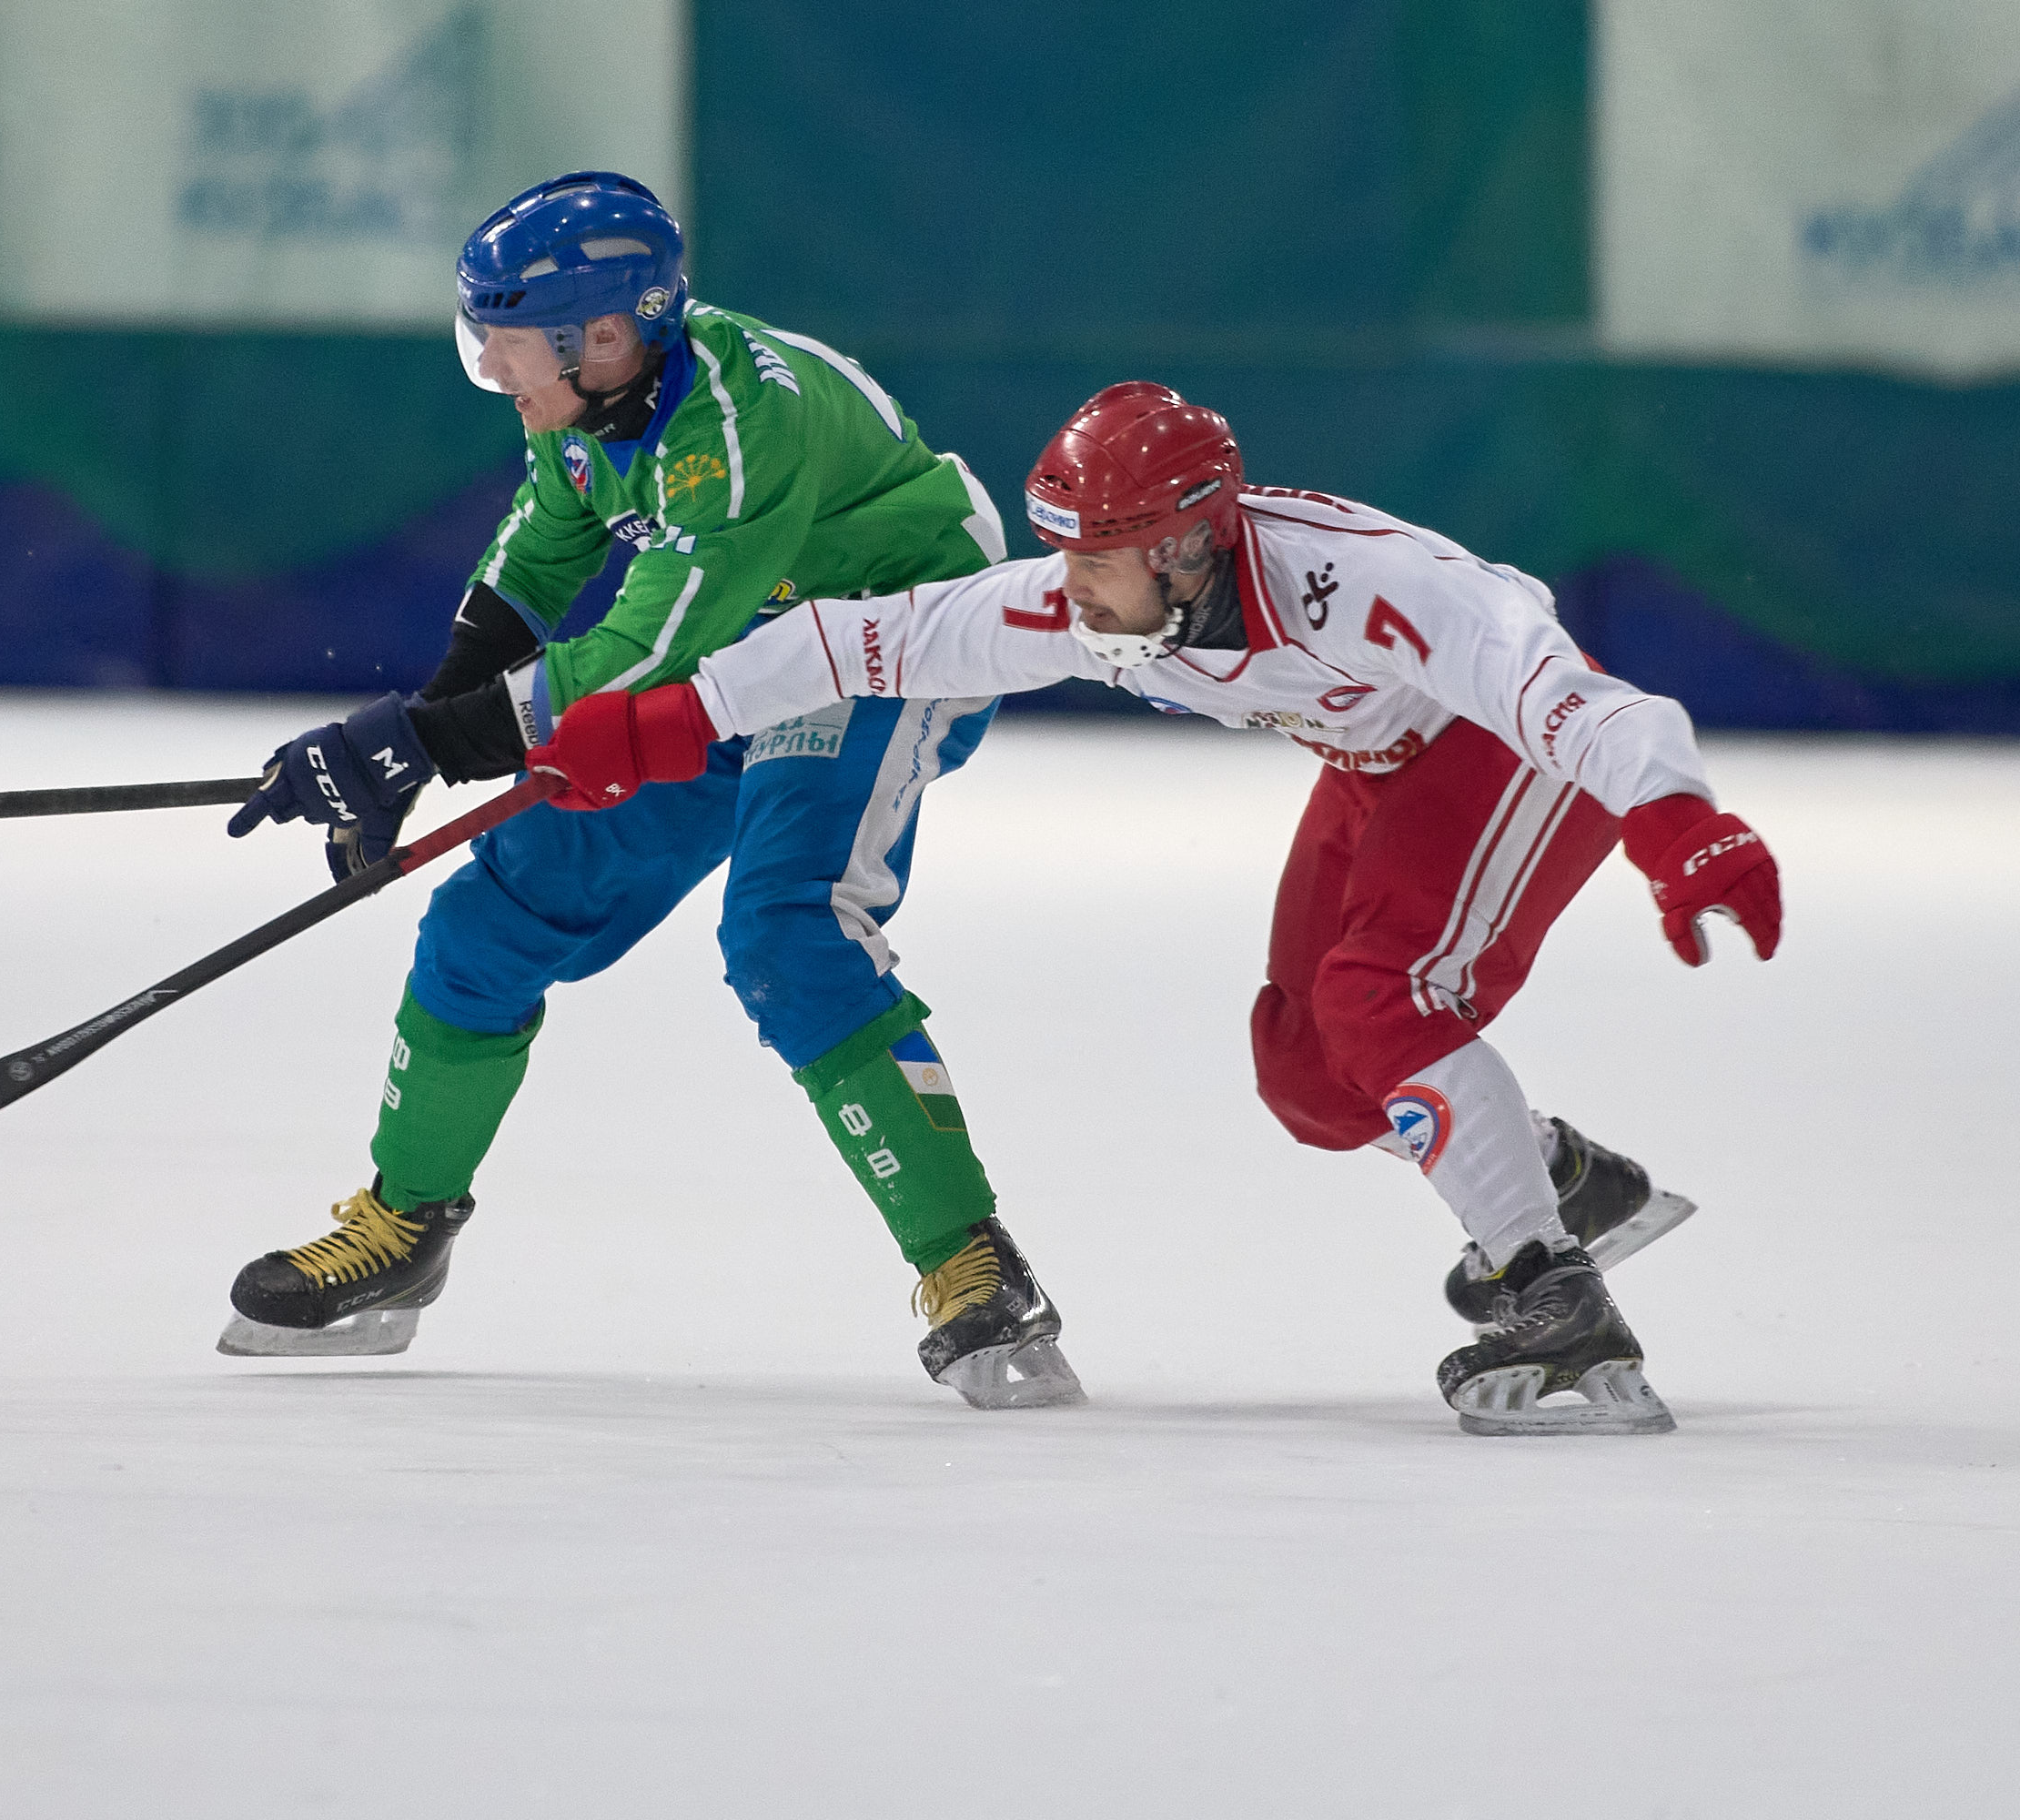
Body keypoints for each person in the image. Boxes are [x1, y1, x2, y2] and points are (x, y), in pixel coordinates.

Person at [524, 381, 1784, 1435]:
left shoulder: (1360, 586)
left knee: (1381, 998)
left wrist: (1678, 821)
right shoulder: (1106, 594)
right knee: (1310, 1073)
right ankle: (1561, 1183)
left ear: (1186, 544)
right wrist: (661, 723)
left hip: (1513, 752)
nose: (1069, 589)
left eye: (1098, 557)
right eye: (1063, 549)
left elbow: (1559, 687)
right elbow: (870, 643)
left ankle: (1552, 1297)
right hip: (1380, 767)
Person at [219, 172, 1082, 1409]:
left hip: (880, 648)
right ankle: (403, 1233)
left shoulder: (737, 431)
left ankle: (971, 1260)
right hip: (727, 654)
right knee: (483, 927)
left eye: (509, 353)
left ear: (605, 336)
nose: (501, 379)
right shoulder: (586, 396)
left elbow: (641, 654)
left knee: (788, 931)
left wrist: (420, 739)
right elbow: (543, 548)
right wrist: (423, 723)